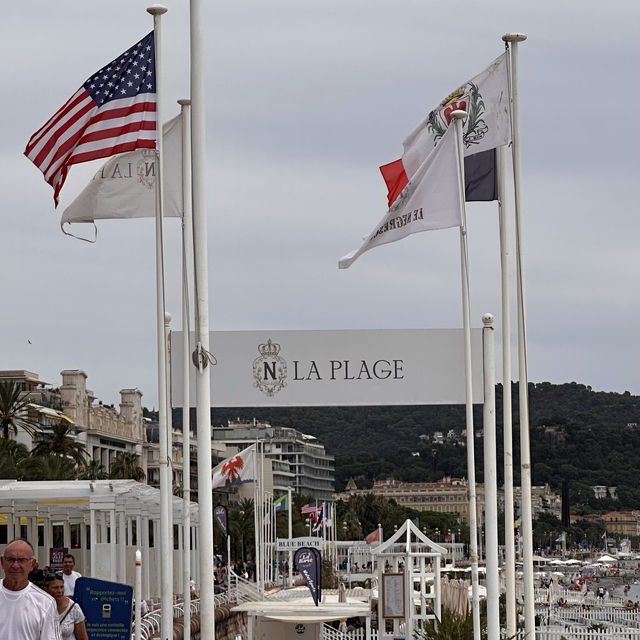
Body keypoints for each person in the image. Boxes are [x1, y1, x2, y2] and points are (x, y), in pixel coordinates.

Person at [0, 538, 60, 639]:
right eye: (10, 559)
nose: (15, 565)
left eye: (21, 560)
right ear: (2, 562)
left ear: (32, 564)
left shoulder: (45, 603)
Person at [44, 574, 88, 640]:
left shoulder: (74, 608)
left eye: (61, 587)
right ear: (46, 589)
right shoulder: (40, 607)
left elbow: (82, 637)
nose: (60, 591)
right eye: (55, 588)